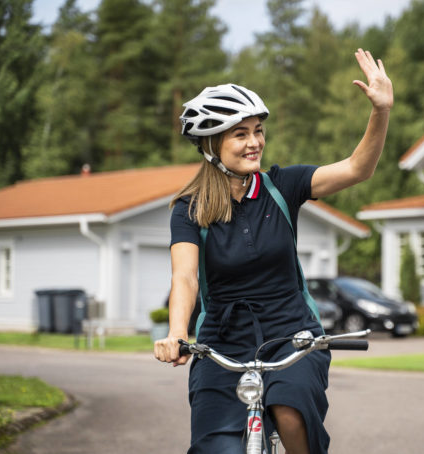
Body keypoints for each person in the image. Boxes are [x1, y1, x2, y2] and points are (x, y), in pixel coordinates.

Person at [154, 48, 393, 454]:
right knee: (217, 448)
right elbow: (184, 276)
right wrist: (178, 332)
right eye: (240, 133)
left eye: (258, 130)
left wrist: (380, 111)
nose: (255, 143)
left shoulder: (283, 187)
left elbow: (357, 168)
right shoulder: (190, 208)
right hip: (221, 343)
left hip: (293, 336)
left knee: (289, 410)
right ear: (212, 144)